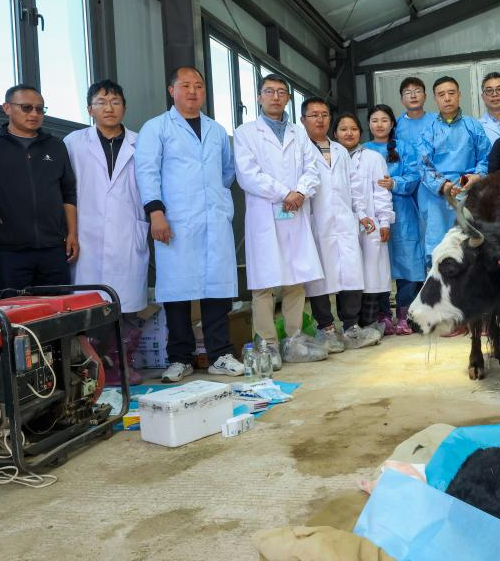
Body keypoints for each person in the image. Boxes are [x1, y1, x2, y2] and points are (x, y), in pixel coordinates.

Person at [135, 67, 245, 381]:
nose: (193, 91)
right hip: (175, 220)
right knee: (177, 293)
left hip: (213, 219)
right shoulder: (156, 128)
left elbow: (227, 171)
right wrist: (156, 212)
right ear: (172, 90)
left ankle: (220, 354)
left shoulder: (216, 130)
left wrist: (213, 199)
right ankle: (180, 358)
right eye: (185, 85)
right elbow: (146, 171)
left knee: (216, 291)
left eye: (198, 85)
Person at [235, 74, 328, 366]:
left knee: (295, 280)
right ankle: (267, 344)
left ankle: (294, 340)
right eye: (269, 91)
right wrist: (284, 193)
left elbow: (312, 169)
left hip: (294, 212)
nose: (275, 97)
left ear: (288, 98)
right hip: (265, 214)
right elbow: (247, 174)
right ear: (259, 97)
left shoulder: (298, 133)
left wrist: (300, 192)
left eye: (281, 92)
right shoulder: (245, 133)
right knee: (263, 284)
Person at [64, 79, 150, 384]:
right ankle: (93, 370)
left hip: (128, 232)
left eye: (115, 102)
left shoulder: (141, 143)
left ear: (124, 107)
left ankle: (123, 366)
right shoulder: (74, 142)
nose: (109, 108)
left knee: (126, 307)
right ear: (90, 109)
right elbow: (65, 188)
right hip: (87, 233)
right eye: (101, 102)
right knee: (89, 304)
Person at [0, 84, 77, 293]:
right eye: (26, 107)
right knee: (14, 310)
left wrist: (72, 233)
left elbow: (68, 193)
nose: (34, 114)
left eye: (40, 109)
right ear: (7, 108)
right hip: (8, 252)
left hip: (53, 249)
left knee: (59, 309)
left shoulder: (55, 146)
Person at [299, 99, 378, 352]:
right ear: (303, 120)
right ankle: (326, 329)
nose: (320, 119)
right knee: (319, 278)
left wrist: (362, 214)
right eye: (314, 115)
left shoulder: (340, 151)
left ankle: (351, 327)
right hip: (316, 222)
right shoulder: (300, 149)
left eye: (324, 114)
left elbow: (354, 186)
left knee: (351, 273)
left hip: (344, 221)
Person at [417, 76, 492, 260]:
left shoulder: (473, 126)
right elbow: (423, 165)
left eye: (451, 93)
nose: (447, 98)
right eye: (441, 94)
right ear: (435, 99)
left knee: (470, 245)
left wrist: (478, 175)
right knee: (438, 248)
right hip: (437, 197)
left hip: (469, 192)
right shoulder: (428, 130)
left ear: (459, 95)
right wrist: (443, 185)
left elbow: (487, 157)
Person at [365, 104, 424, 336]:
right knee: (377, 262)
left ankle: (404, 314)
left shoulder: (405, 148)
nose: (379, 125)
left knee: (408, 261)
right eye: (374, 120)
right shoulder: (363, 151)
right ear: (369, 124)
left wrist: (395, 183)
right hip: (374, 213)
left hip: (403, 212)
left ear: (392, 124)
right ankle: (383, 315)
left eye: (384, 120)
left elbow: (415, 175)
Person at [335, 113, 395, 339]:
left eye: (353, 129)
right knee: (344, 275)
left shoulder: (373, 158)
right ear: (335, 133)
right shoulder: (330, 157)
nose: (349, 133)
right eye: (343, 129)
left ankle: (368, 322)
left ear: (361, 132)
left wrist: (385, 220)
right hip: (340, 225)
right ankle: (349, 325)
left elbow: (381, 192)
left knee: (371, 273)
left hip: (370, 224)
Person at [395, 76, 437, 146]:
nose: (413, 96)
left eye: (418, 91)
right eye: (408, 93)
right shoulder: (395, 125)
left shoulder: (437, 120)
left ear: (425, 97)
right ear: (402, 100)